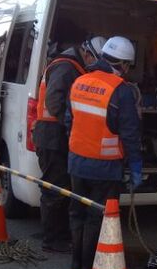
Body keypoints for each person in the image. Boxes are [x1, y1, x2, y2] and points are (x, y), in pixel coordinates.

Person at [66, 35, 143, 269]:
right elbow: (131, 134)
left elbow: (69, 121)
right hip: (105, 168)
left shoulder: (79, 82)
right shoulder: (121, 91)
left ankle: (76, 265)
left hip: (77, 162)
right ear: (124, 64)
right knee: (96, 219)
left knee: (77, 213)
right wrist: (136, 166)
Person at [32, 36, 105, 252]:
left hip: (57, 135)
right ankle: (52, 240)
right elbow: (54, 102)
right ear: (87, 52)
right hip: (52, 135)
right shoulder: (65, 67)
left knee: (63, 187)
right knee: (54, 188)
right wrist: (74, 126)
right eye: (95, 60)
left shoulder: (72, 66)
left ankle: (59, 234)